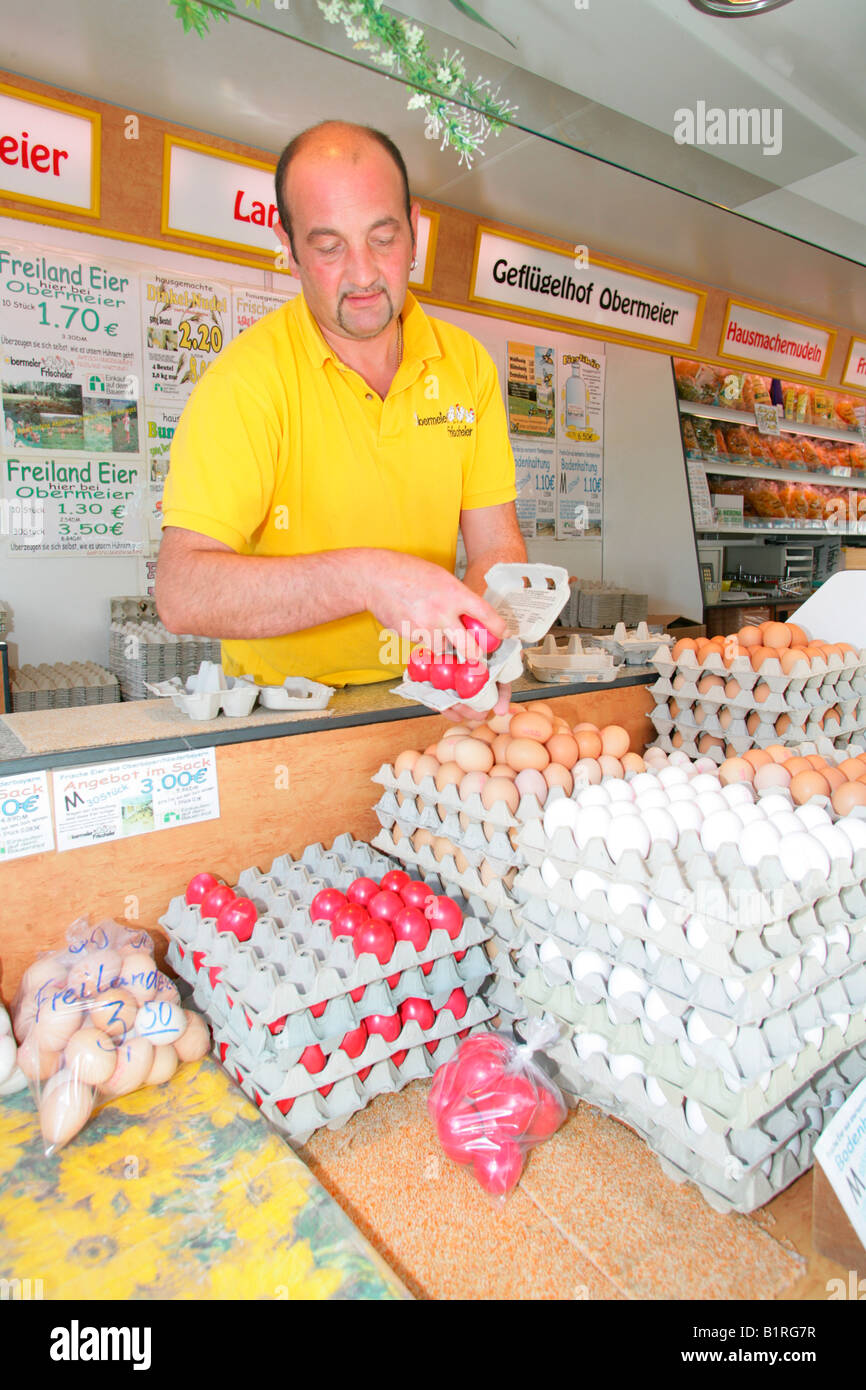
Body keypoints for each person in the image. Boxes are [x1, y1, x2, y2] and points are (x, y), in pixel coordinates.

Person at [156, 120, 526, 719]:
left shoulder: (468, 366)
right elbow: (182, 593)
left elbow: (497, 546)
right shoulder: (246, 382)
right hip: (282, 721)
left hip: (426, 704)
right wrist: (366, 579)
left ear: (414, 232)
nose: (361, 275)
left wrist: (474, 655)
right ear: (290, 246)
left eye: (383, 238)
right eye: (329, 247)